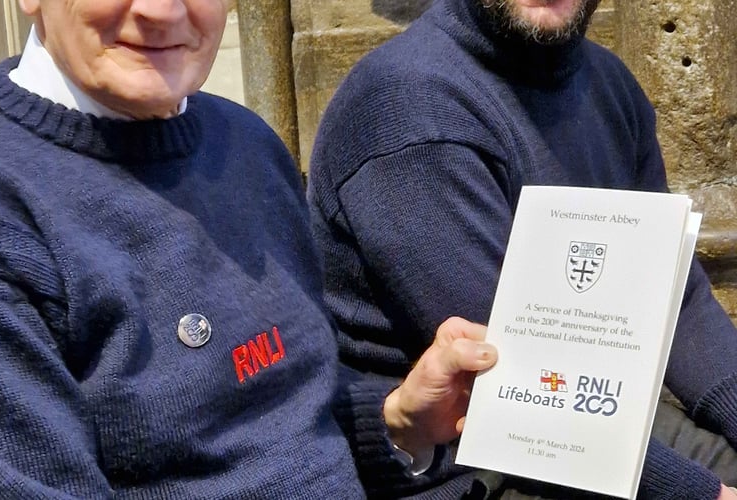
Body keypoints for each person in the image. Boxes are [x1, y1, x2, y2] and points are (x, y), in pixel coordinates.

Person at [0, 1, 500, 498]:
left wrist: (399, 420)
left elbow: (289, 403)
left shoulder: (246, 142)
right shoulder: (2, 211)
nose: (161, 12)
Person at [307, 0, 737, 498]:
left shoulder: (609, 84)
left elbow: (675, 300)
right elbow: (521, 388)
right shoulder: (408, 106)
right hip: (466, 468)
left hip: (600, 408)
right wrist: (707, 494)